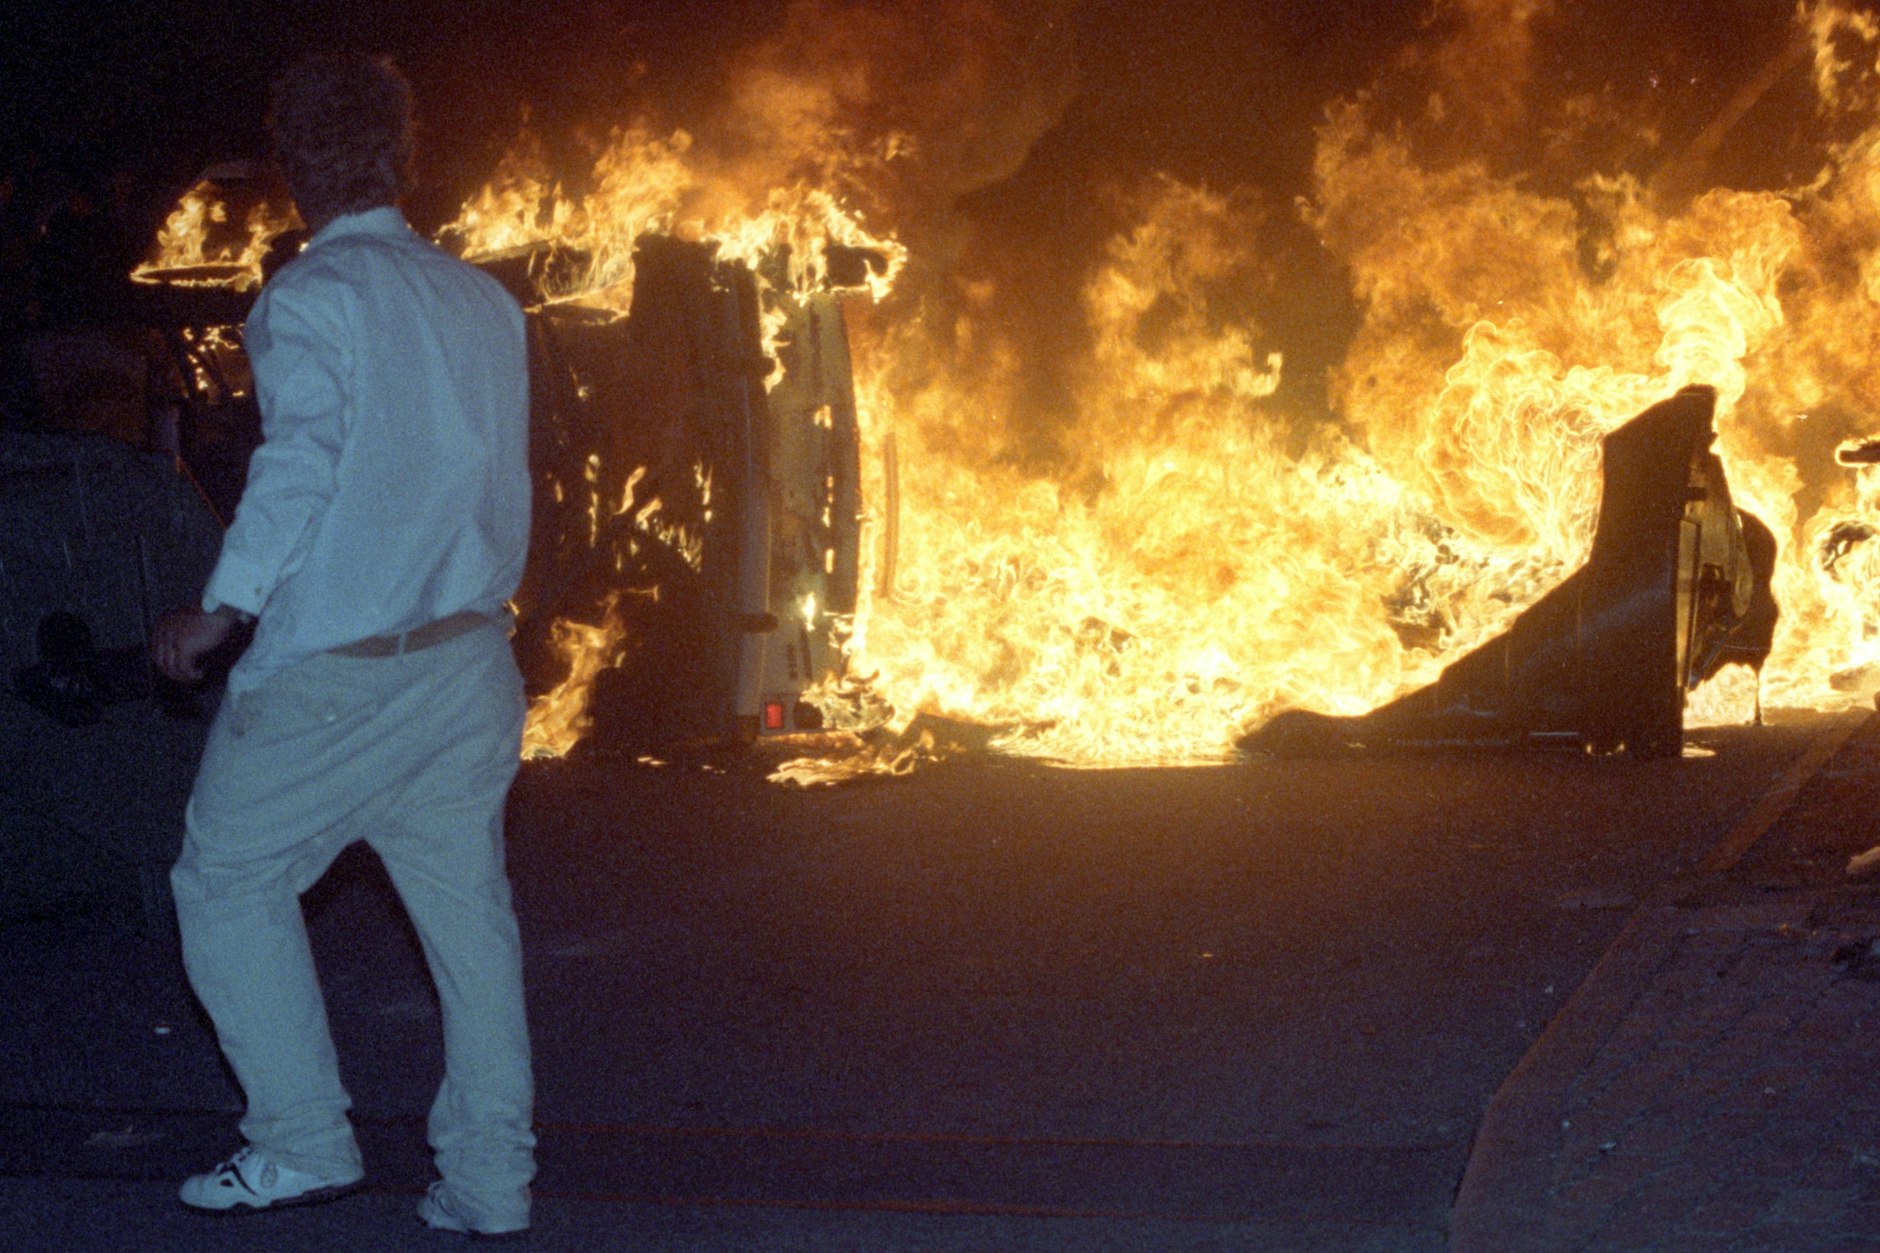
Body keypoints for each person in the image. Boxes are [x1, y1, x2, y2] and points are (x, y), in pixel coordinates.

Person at [150, 52, 535, 1237]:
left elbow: (301, 462)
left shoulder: (310, 298)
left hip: (340, 671)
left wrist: (219, 607)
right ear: (401, 158)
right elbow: (503, 479)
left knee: (224, 879)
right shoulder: (482, 298)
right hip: (469, 659)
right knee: (470, 926)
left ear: (294, 170)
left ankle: (300, 1139)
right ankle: (489, 1182)